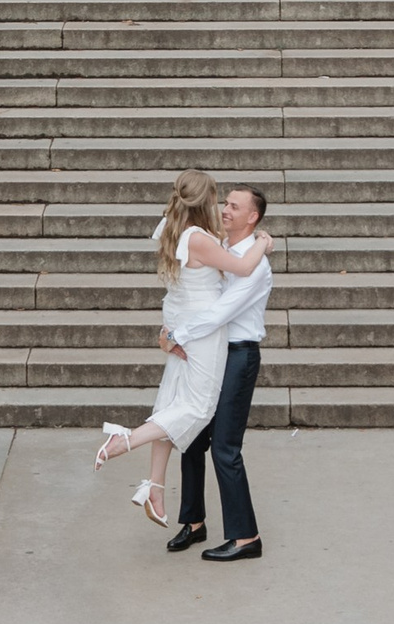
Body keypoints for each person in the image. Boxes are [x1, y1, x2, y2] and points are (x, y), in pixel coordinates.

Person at [97, 173, 231, 528]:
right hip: (200, 331)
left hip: (178, 325)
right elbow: (242, 266)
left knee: (171, 406)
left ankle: (154, 487)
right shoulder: (199, 239)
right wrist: (264, 242)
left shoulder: (170, 228)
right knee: (198, 407)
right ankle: (126, 439)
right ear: (207, 202)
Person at [169, 184, 271, 562]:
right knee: (193, 437)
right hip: (210, 353)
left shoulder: (255, 264)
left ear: (253, 217)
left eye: (234, 206)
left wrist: (176, 335)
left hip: (238, 357)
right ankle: (194, 523)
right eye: (224, 203)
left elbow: (219, 312)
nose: (224, 209)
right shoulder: (220, 248)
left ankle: (246, 537)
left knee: (225, 448)